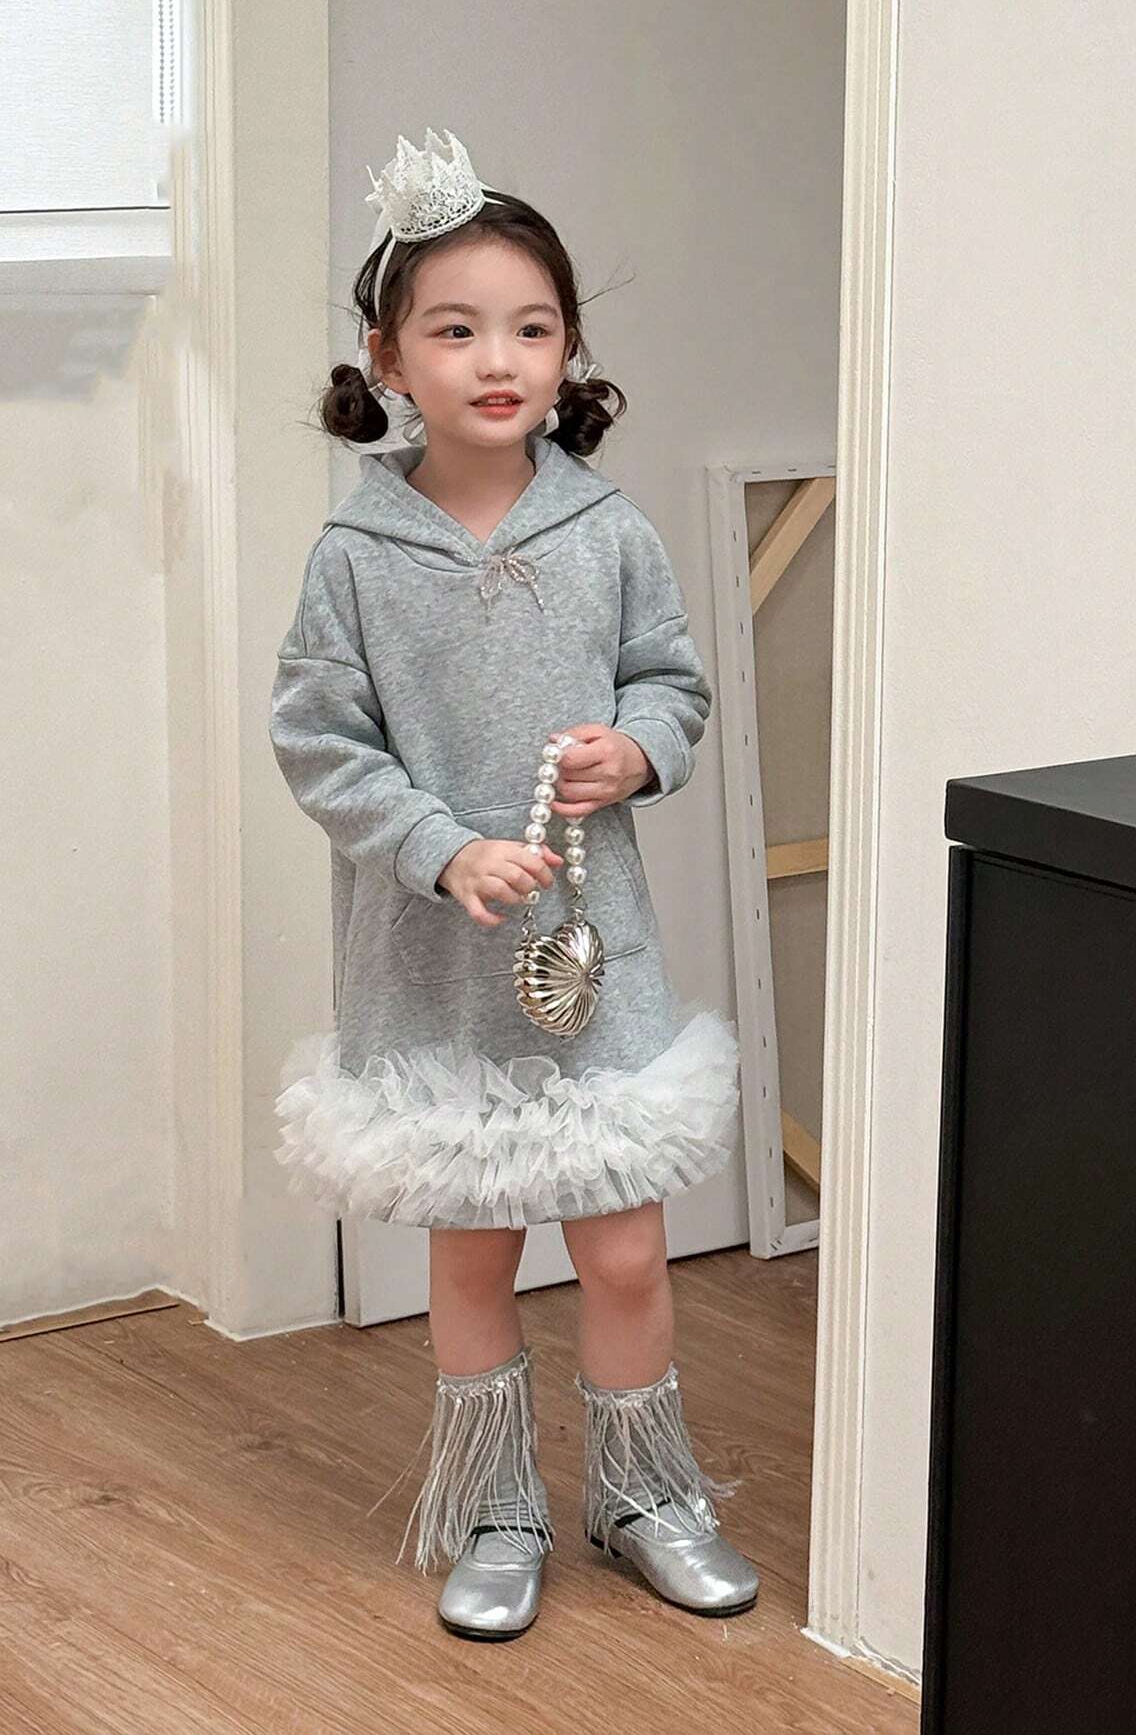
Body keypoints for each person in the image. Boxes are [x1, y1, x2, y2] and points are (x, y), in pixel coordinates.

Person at [267, 126, 758, 1640]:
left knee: (623, 1244)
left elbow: (673, 685)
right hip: (434, 961)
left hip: (591, 953)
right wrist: (442, 845)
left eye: (532, 329)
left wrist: (639, 749)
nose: (498, 360)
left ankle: (644, 1494)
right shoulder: (356, 553)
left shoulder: (608, 531)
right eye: (456, 329)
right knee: (473, 1248)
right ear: (388, 358)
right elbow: (319, 740)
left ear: (569, 352)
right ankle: (493, 1506)